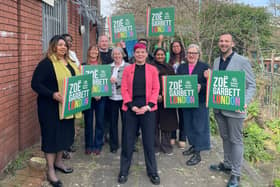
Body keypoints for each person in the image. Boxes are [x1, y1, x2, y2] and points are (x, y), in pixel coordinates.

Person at [207, 33, 256, 187]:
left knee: (236, 140)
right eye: (221, 41)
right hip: (219, 108)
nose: (223, 43)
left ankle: (236, 174)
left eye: (226, 41)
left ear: (232, 44)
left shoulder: (242, 61)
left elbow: (251, 85)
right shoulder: (216, 61)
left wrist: (245, 102)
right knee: (225, 137)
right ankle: (227, 164)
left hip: (235, 109)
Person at [31, 35, 80, 187]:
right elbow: (35, 84)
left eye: (65, 45)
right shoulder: (46, 64)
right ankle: (51, 170)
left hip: (67, 107)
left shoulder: (70, 63)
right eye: (60, 45)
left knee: (64, 136)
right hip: (50, 108)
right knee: (51, 138)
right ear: (53, 46)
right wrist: (52, 94)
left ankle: (59, 162)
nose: (63, 47)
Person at [118, 43, 160, 185]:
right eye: (137, 52)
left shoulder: (153, 70)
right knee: (128, 141)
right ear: (134, 54)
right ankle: (124, 171)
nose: (140, 54)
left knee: (148, 142)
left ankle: (153, 172)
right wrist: (131, 106)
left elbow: (156, 89)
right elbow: (124, 89)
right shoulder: (128, 69)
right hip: (131, 110)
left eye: (142, 52)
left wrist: (148, 106)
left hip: (148, 110)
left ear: (146, 54)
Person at [177, 44, 210, 166]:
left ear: (198, 54)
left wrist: (201, 86)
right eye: (189, 53)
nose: (191, 55)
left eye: (194, 53)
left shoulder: (204, 67)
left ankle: (198, 153)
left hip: (200, 102)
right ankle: (193, 146)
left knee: (199, 127)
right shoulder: (181, 67)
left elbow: (211, 84)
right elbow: (177, 82)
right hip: (186, 101)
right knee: (189, 125)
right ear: (186, 55)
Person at [151, 48, 178, 155]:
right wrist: (156, 95)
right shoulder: (151, 67)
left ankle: (166, 146)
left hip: (167, 100)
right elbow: (149, 82)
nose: (160, 56)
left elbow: (173, 83)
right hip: (154, 99)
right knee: (154, 124)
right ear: (155, 56)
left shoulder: (169, 67)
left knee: (167, 124)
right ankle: (155, 146)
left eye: (162, 55)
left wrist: (165, 95)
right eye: (158, 55)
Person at [83, 45, 105, 155]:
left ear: (98, 53)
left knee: (100, 121)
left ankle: (98, 144)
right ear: (88, 52)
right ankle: (88, 145)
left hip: (100, 98)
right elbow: (82, 82)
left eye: (96, 50)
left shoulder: (102, 66)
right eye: (92, 50)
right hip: (88, 98)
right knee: (88, 121)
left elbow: (105, 82)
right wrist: (92, 93)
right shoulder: (83, 66)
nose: (94, 52)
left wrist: (99, 93)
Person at [109, 47, 130, 153]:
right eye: (115, 54)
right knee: (113, 123)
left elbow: (130, 82)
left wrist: (118, 81)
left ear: (123, 55)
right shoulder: (109, 67)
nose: (117, 56)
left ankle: (127, 144)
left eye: (119, 54)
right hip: (111, 98)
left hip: (124, 98)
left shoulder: (128, 67)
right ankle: (114, 145)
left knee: (126, 122)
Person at [169, 40, 186, 149]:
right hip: (172, 88)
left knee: (183, 114)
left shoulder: (186, 59)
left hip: (183, 88)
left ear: (181, 47)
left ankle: (183, 137)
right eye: (174, 46)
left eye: (177, 46)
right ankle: (172, 135)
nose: (176, 48)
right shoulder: (169, 60)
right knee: (172, 114)